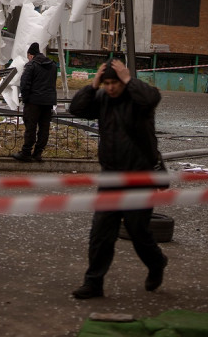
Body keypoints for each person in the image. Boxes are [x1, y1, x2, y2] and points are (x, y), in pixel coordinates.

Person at [68, 58, 168, 298]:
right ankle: (93, 283)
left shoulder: (138, 99)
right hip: (111, 177)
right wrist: (93, 86)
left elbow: (152, 98)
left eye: (115, 83)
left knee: (138, 232)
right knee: (100, 233)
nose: (111, 88)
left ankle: (156, 263)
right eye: (107, 83)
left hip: (138, 178)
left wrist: (129, 79)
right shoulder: (102, 98)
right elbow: (76, 109)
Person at [12, 42, 57, 163]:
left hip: (33, 102)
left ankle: (26, 152)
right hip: (48, 102)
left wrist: (26, 99)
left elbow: (24, 84)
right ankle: (38, 153)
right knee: (44, 128)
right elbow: (53, 83)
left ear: (30, 55)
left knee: (30, 128)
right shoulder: (52, 65)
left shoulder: (31, 65)